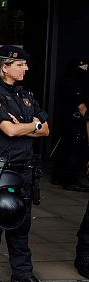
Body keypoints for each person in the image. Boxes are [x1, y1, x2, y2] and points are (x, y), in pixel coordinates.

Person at [0, 45, 50, 282]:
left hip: (25, 169)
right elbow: (8, 130)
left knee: (21, 223)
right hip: (1, 169)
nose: (26, 68)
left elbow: (46, 129)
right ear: (5, 67)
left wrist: (29, 125)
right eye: (20, 64)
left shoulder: (24, 93)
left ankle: (23, 273)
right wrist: (34, 126)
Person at [52, 57, 89, 191]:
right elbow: (81, 106)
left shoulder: (66, 81)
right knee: (75, 150)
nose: (85, 70)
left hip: (64, 120)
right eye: (84, 67)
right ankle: (71, 180)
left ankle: (59, 176)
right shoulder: (74, 83)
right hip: (74, 122)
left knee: (65, 148)